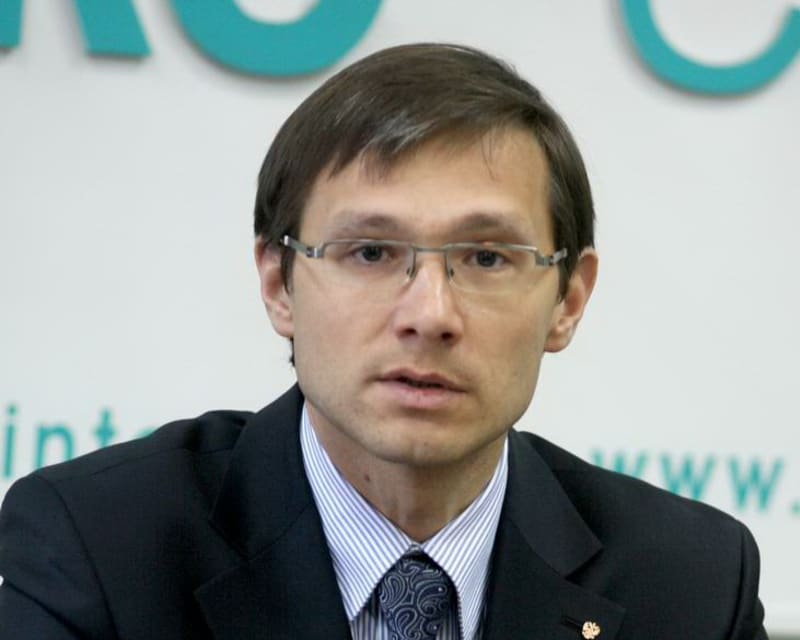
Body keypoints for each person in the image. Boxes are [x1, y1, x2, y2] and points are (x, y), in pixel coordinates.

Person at [0, 43, 766, 639]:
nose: (430, 314)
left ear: (568, 300)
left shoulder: (692, 585)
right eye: (370, 252)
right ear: (278, 285)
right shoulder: (99, 547)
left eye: (487, 258)